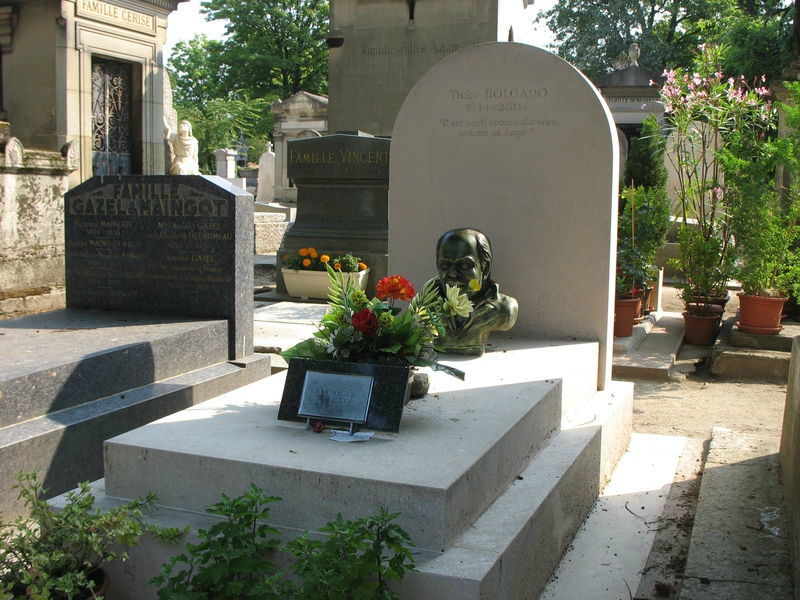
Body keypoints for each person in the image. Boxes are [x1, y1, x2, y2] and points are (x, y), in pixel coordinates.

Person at [429, 228, 518, 355]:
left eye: (464, 265)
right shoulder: (426, 306)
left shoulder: (504, 309)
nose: (453, 273)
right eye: (445, 265)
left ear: (485, 267)